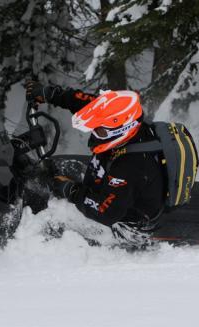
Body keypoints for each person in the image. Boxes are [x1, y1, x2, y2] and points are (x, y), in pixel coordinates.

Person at [26, 81, 165, 243]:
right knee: (58, 169)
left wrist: (71, 191)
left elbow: (106, 212)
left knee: (52, 221)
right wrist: (52, 94)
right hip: (114, 188)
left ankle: (37, 248)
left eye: (100, 131)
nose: (94, 134)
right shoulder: (124, 120)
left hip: (125, 224)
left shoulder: (132, 166)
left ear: (121, 129)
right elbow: (90, 105)